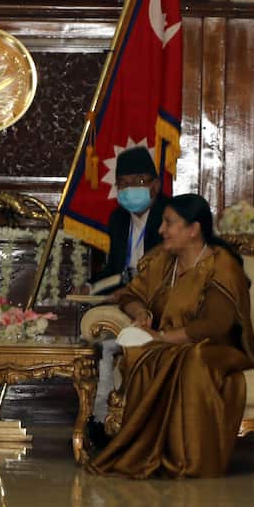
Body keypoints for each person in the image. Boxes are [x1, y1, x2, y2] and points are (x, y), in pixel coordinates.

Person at [87, 194, 254, 479]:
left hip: (218, 350)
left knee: (192, 357)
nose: (161, 230)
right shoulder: (161, 260)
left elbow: (216, 325)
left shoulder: (221, 265)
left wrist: (162, 338)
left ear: (193, 230)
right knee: (144, 354)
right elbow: (130, 295)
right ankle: (150, 453)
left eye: (169, 223)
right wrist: (141, 313)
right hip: (165, 344)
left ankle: (190, 461)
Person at [85, 146, 167, 447]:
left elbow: (172, 269)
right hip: (125, 300)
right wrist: (91, 288)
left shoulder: (170, 216)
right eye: (124, 184)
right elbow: (115, 270)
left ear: (155, 184)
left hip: (160, 301)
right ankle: (98, 420)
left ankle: (107, 420)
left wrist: (132, 292)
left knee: (109, 345)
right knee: (99, 338)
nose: (131, 189)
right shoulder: (119, 218)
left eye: (140, 181)